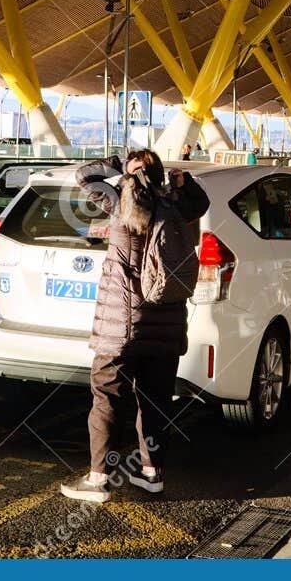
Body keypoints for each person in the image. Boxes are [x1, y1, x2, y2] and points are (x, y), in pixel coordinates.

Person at [61, 149, 210, 503]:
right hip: (167, 326)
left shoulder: (119, 204)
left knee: (107, 399)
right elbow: (200, 202)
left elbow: (84, 176)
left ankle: (98, 480)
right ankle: (152, 474)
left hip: (120, 329)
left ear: (130, 177)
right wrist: (182, 182)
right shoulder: (178, 208)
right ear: (158, 176)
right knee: (156, 401)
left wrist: (114, 166)